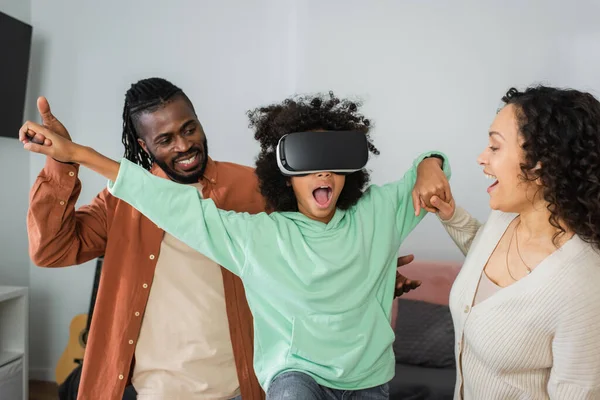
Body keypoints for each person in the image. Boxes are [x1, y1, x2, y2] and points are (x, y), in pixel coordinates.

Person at [21, 91, 452, 399]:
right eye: (166, 138)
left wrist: (365, 274)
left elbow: (325, 239)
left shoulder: (255, 187)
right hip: (163, 388)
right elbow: (51, 249)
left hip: (243, 382)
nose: (184, 144)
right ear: (142, 146)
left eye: (189, 129)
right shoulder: (122, 202)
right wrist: (67, 159)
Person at [428, 86, 600, 399]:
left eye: (495, 147)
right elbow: (486, 261)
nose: (482, 158)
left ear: (541, 164)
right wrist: (451, 216)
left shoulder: (584, 284)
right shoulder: (504, 218)